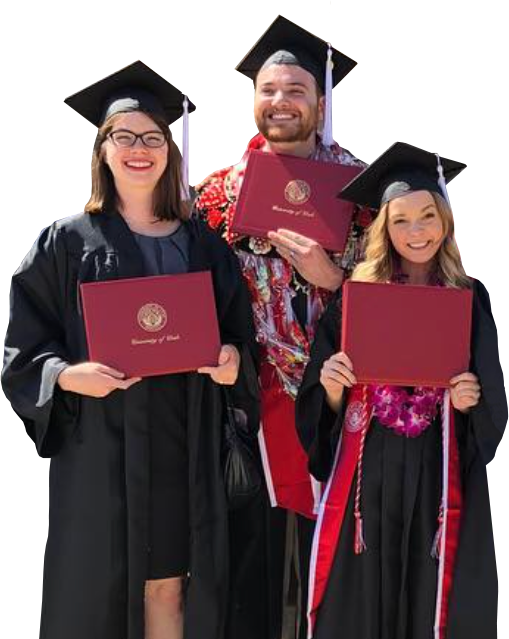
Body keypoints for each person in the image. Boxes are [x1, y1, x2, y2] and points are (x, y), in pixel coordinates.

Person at [1, 60, 258, 639]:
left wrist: (232, 363)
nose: (139, 149)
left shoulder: (204, 246)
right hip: (102, 442)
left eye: (152, 137)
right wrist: (67, 376)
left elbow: (239, 339)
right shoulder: (66, 241)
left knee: (168, 584)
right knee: (101, 584)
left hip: (181, 439)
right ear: (103, 149)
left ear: (170, 150)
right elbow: (21, 347)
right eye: (124, 136)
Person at [194, 14, 372, 639]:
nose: (280, 102)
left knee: (337, 571)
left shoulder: (364, 188)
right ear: (252, 100)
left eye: (296, 90)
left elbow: (411, 287)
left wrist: (334, 277)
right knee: (251, 574)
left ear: (320, 103)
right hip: (244, 412)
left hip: (340, 404)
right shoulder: (214, 195)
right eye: (268, 90)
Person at [296, 141, 507, 639]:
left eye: (427, 217)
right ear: (383, 229)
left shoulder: (469, 295)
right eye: (401, 220)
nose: (416, 232)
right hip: (366, 481)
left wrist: (470, 400)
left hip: (438, 475)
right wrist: (330, 389)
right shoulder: (355, 297)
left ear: (446, 222)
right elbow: (320, 404)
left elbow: (492, 403)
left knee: (428, 599)